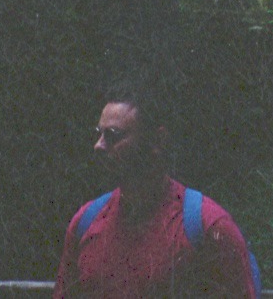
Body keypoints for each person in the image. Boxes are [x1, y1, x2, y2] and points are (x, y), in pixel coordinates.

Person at [54, 89, 258, 299]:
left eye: (113, 136)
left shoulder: (208, 227)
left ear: (157, 141)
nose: (98, 145)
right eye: (99, 133)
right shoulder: (85, 222)